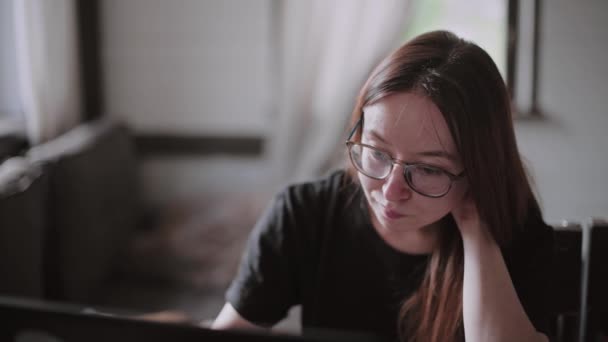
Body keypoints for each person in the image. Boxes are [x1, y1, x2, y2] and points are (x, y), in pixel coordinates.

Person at [211, 30, 554, 342]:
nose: (390, 191)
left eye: (428, 169)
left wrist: (477, 231)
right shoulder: (305, 213)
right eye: (376, 152)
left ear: (479, 170)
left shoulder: (514, 228)